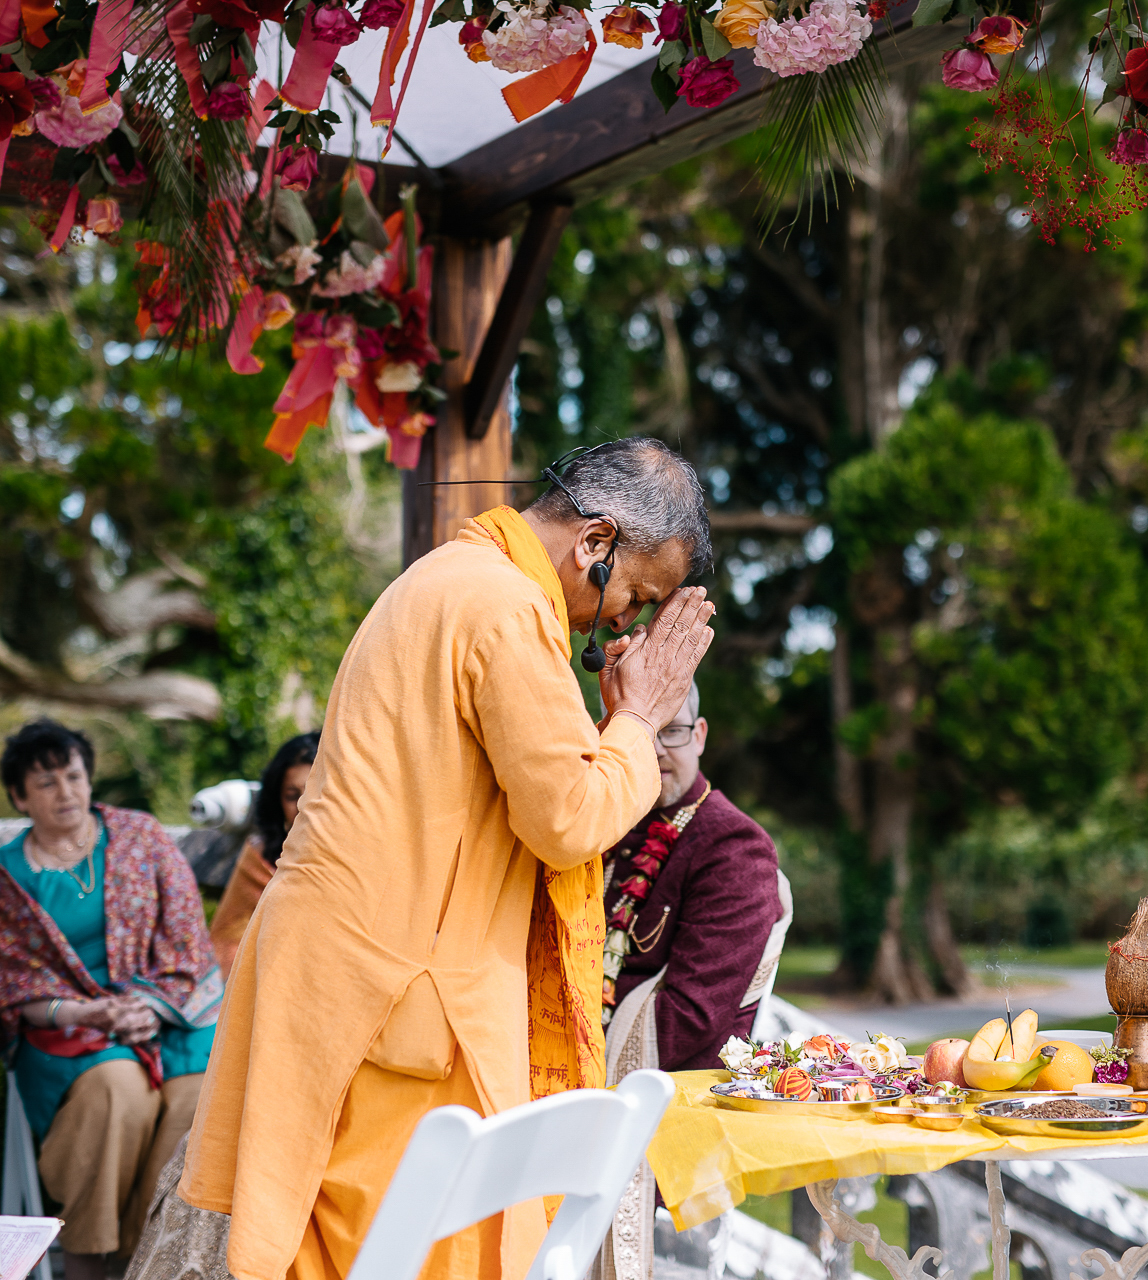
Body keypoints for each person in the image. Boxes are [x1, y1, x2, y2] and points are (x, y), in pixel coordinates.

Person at [173, 438, 717, 1280]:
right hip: (393, 992)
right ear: (596, 542)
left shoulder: (449, 578)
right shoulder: (506, 609)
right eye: (637, 596)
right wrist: (640, 721)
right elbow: (570, 819)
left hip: (354, 973)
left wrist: (617, 725)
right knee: (408, 1252)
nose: (626, 625)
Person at [0, 721, 221, 1280]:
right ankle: (87, 1263)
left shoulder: (142, 837)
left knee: (199, 1102)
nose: (65, 792)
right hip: (68, 1032)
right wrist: (87, 1012)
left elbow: (188, 941)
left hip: (169, 1017)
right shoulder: (4, 877)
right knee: (117, 1091)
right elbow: (13, 987)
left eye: (74, 776)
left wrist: (147, 1007)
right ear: (19, 796)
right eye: (45, 782)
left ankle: (152, 1260)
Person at [601, 683, 781, 1070]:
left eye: (673, 731)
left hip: (672, 1097)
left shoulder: (734, 845)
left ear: (698, 735)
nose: (658, 748)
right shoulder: (601, 826)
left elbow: (689, 1018)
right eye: (642, 732)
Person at [207, 733, 319, 979]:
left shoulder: (363, 854)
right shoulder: (262, 856)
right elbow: (230, 938)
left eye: (315, 791)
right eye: (292, 796)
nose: (303, 805)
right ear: (277, 802)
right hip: (266, 979)